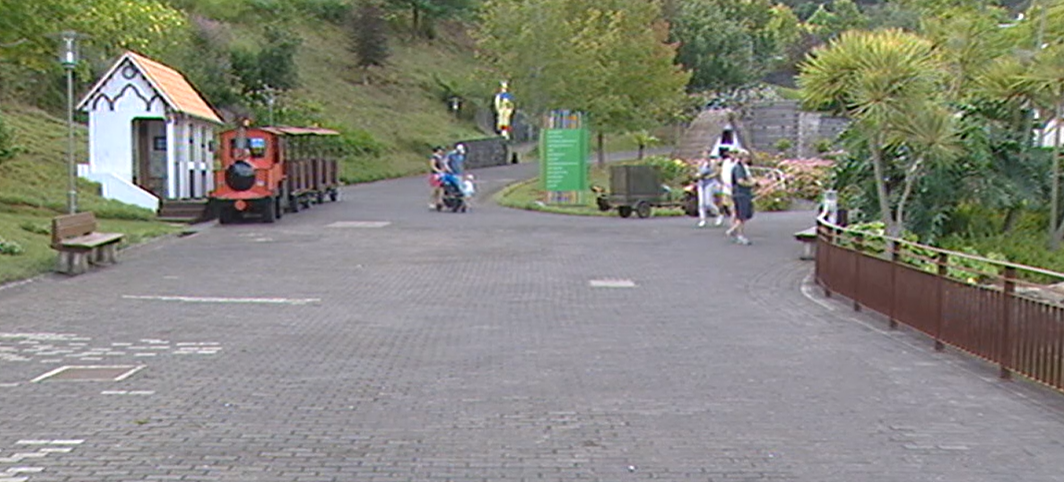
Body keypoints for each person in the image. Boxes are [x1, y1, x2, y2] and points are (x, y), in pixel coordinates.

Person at [726, 150, 755, 245]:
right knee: (741, 215)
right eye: (746, 157)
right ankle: (739, 234)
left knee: (747, 214)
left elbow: (748, 178)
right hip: (740, 194)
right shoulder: (738, 168)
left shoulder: (744, 168)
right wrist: (750, 184)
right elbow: (740, 181)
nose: (748, 159)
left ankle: (735, 230)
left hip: (744, 194)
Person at [695, 154, 723, 228]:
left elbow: (717, 172)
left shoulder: (712, 163)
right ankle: (702, 219)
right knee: (701, 203)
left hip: (709, 183)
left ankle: (718, 214)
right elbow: (697, 172)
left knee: (708, 203)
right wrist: (698, 174)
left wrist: (710, 176)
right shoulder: (700, 163)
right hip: (701, 183)